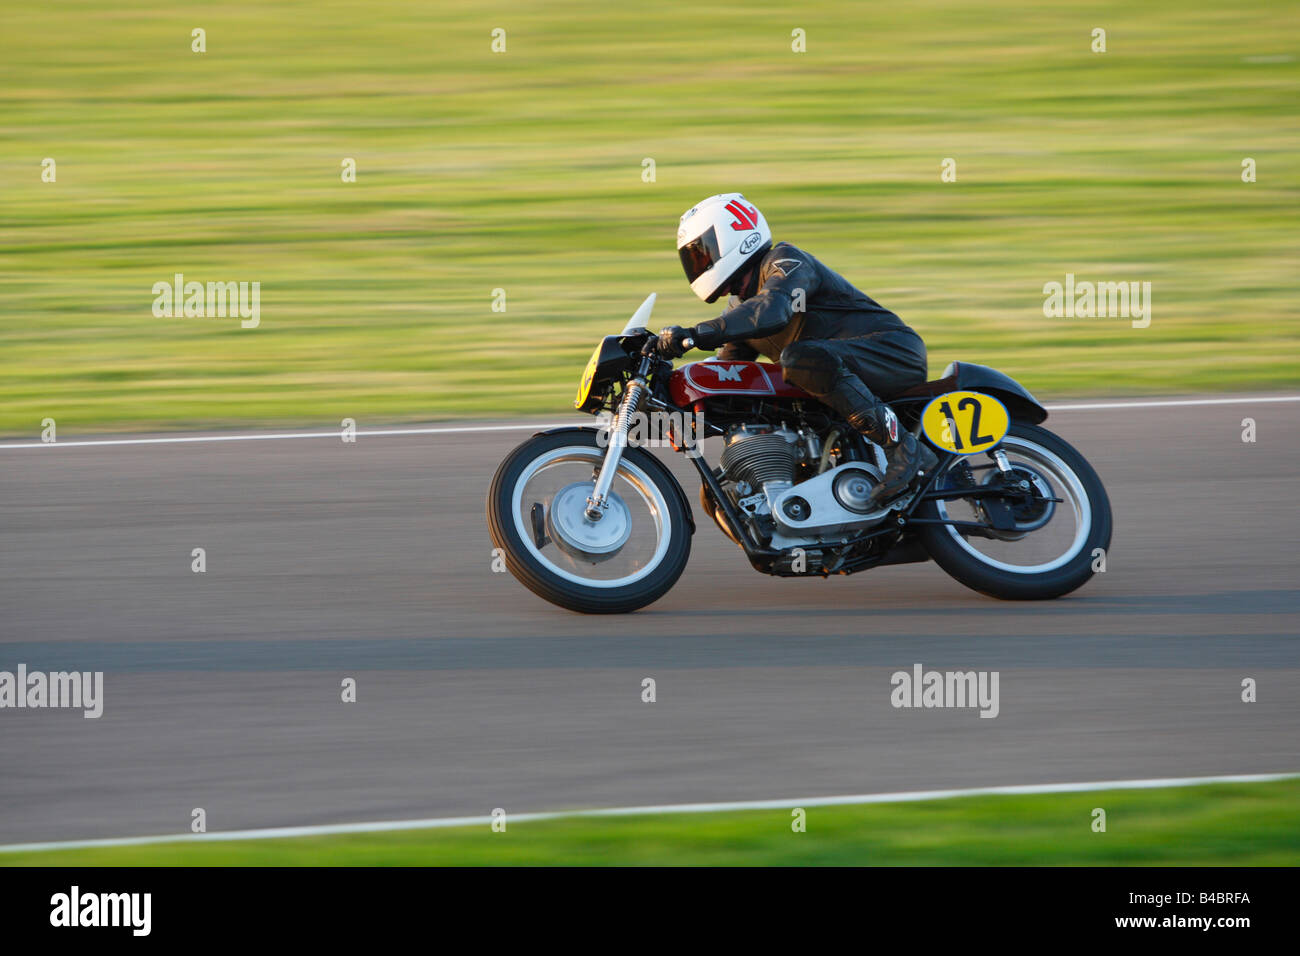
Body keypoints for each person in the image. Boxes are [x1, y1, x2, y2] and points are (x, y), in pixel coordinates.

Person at [659, 192, 936, 506]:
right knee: (718, 495)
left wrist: (694, 335)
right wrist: (688, 415)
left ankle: (904, 449)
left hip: (891, 351)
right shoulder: (739, 310)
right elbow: (731, 379)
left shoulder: (785, 261)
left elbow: (772, 310)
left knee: (800, 359)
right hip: (837, 375)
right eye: (693, 259)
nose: (699, 265)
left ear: (734, 236)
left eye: (703, 254)